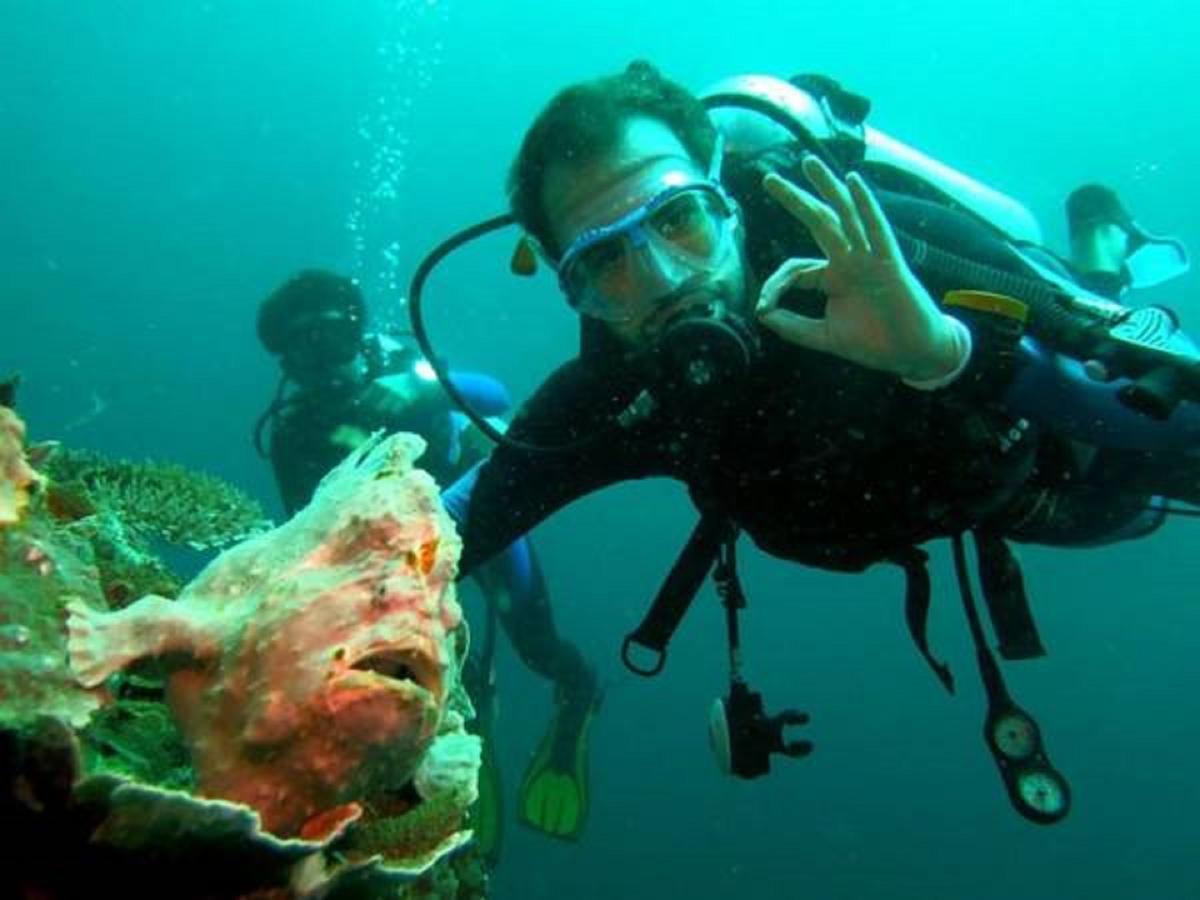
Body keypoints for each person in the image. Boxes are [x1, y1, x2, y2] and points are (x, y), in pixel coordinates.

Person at [427, 62, 1200, 824]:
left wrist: (946, 354)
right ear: (574, 288)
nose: (663, 280)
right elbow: (445, 532)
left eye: (678, 218)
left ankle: (1103, 250)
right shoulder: (619, 393)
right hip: (942, 502)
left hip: (1034, 467)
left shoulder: (890, 248)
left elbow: (1167, 406)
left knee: (1134, 506)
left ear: (725, 195)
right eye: (604, 260)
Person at [254, 270, 601, 847]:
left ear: (358, 332)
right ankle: (462, 758)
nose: (324, 362)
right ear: (289, 365)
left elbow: (492, 393)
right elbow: (303, 529)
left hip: (482, 532)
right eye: (304, 351)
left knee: (537, 646)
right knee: (438, 678)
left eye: (332, 340)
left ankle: (578, 693)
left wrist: (419, 391)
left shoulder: (406, 369)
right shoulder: (295, 433)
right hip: (389, 568)